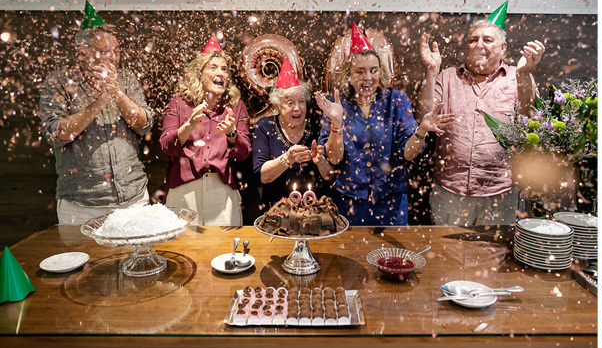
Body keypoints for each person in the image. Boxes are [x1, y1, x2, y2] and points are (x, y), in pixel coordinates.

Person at [418, 0, 546, 227]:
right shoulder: (447, 77)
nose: (479, 45)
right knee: (446, 256)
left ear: (503, 48)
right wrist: (430, 73)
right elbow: (424, 115)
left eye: (488, 40)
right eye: (472, 40)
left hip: (498, 193)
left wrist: (526, 74)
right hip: (450, 191)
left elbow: (529, 123)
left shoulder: (519, 77)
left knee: (493, 258)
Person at [320, 23, 453, 225]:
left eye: (373, 70)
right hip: (349, 203)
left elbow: (408, 154)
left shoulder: (397, 100)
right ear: (349, 75)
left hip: (392, 201)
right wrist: (337, 123)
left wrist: (421, 131)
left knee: (393, 257)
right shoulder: (336, 105)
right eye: (360, 71)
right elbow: (334, 158)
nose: (368, 78)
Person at [39, 1, 153, 225]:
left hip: (133, 197)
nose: (113, 58)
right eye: (104, 51)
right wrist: (100, 100)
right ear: (83, 53)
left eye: (116, 51)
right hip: (81, 205)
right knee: (85, 261)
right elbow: (57, 134)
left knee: (136, 259)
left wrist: (116, 93)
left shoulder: (127, 78)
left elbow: (144, 125)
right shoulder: (59, 82)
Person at [159, 37, 251, 226]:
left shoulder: (235, 106)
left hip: (222, 191)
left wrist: (232, 133)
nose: (220, 73)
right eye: (213, 67)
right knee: (184, 251)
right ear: (199, 74)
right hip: (184, 191)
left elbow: (244, 152)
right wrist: (189, 125)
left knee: (224, 251)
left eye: (224, 69)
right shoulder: (179, 103)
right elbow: (166, 145)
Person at [251, 57, 336, 212]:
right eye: (290, 103)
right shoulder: (265, 126)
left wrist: (320, 162)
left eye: (301, 101)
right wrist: (287, 159)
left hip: (316, 212)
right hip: (276, 212)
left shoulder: (318, 125)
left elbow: (330, 176)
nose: (297, 108)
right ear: (278, 105)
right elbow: (262, 176)